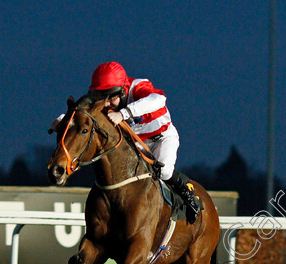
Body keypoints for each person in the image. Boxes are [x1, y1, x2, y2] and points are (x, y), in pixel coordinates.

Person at [55, 62, 201, 220]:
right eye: (101, 97)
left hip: (161, 138)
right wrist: (61, 120)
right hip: (135, 144)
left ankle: (187, 193)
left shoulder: (137, 87)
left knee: (164, 171)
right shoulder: (105, 99)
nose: (106, 103)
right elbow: (81, 114)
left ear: (123, 91)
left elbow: (159, 98)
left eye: (111, 97)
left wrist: (124, 113)